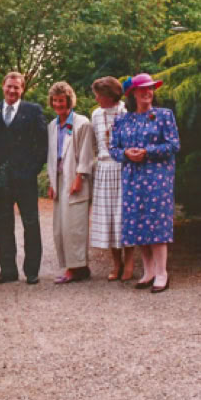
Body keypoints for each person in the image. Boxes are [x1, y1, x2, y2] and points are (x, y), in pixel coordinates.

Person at [109, 73, 180, 294]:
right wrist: (126, 153)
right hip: (132, 178)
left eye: (150, 88)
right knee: (138, 223)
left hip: (157, 178)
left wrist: (147, 151)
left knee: (157, 223)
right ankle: (148, 271)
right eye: (142, 89)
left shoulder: (164, 115)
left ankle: (162, 273)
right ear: (133, 94)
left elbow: (173, 145)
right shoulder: (122, 120)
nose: (147, 92)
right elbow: (113, 149)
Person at [0, 71, 48, 285]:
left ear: (22, 89)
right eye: (9, 86)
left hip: (25, 178)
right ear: (3, 86)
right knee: (2, 225)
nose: (12, 90)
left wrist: (32, 170)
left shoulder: (33, 110)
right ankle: (8, 270)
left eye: (16, 87)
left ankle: (32, 271)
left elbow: (42, 145)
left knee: (31, 223)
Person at [46, 81, 95, 284]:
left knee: (75, 226)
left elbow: (87, 153)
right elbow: (52, 156)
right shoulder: (52, 126)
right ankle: (77, 267)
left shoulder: (82, 123)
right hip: (59, 178)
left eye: (62, 100)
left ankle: (76, 269)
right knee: (60, 227)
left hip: (76, 178)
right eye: (55, 101)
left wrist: (79, 177)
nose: (58, 104)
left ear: (69, 101)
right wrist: (51, 182)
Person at [88, 76, 133, 281]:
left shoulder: (125, 112)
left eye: (99, 95)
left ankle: (129, 262)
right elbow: (95, 144)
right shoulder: (96, 114)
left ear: (110, 95)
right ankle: (116, 264)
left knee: (123, 216)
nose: (96, 99)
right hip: (104, 169)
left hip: (123, 167)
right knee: (108, 218)